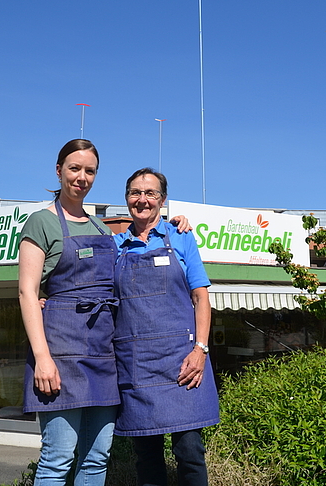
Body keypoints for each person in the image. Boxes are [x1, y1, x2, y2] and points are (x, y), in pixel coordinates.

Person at [19, 141, 190, 486]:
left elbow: (139, 249)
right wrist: (43, 358)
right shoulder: (41, 222)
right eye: (74, 168)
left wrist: (174, 224)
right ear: (59, 171)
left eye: (90, 171)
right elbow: (26, 291)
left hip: (102, 356)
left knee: (97, 459)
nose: (82, 177)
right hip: (60, 353)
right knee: (58, 458)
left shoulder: (102, 230)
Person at [112, 168, 220, 486]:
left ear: (162, 200)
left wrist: (200, 350)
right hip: (137, 366)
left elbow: (201, 298)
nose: (142, 199)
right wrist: (49, 299)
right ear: (126, 198)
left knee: (189, 452)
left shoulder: (182, 238)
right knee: (146, 457)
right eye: (135, 192)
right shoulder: (114, 246)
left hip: (182, 362)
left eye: (150, 193)